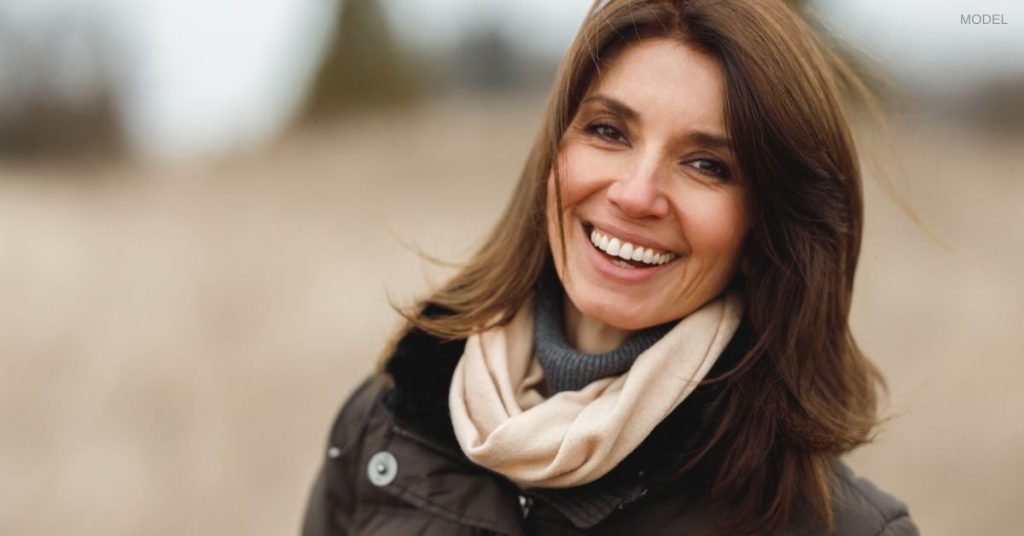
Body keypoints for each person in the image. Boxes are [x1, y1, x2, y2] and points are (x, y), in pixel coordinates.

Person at [302, 0, 919, 534]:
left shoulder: (838, 528)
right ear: (555, 151)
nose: (634, 194)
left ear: (767, 222)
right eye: (608, 131)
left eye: (707, 165)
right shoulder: (385, 426)